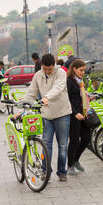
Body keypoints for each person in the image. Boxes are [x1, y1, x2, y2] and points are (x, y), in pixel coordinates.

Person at [22, 53, 72, 181]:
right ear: (42, 66)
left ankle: (62, 171)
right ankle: (46, 171)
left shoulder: (60, 73)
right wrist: (23, 107)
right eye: (45, 68)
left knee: (62, 145)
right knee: (45, 143)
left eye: (50, 69)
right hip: (46, 114)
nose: (48, 71)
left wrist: (47, 97)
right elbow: (31, 93)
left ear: (53, 65)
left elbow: (59, 87)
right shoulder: (38, 75)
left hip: (62, 113)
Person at [66, 59, 93, 175]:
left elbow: (80, 96)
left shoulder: (79, 81)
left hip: (83, 113)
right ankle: (70, 165)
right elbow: (66, 99)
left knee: (87, 138)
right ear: (74, 69)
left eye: (84, 70)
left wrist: (88, 98)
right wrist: (75, 112)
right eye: (81, 70)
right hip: (74, 114)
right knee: (74, 140)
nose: (83, 72)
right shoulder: (69, 81)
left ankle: (76, 159)